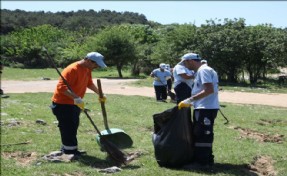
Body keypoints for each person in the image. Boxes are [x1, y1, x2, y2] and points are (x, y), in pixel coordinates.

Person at [51, 52, 107, 156]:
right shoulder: (72, 69)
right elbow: (61, 88)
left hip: (74, 103)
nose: (97, 67)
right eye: (96, 64)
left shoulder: (87, 69)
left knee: (73, 126)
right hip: (63, 104)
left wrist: (100, 93)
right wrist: (76, 98)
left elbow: (89, 83)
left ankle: (70, 149)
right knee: (68, 127)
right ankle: (69, 151)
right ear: (89, 61)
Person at [178, 52, 219, 168]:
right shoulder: (202, 71)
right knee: (202, 133)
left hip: (205, 108)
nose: (185, 66)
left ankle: (201, 163)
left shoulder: (203, 70)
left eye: (185, 63)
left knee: (202, 134)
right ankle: (207, 159)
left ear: (191, 61)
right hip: (203, 107)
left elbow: (209, 90)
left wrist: (190, 100)